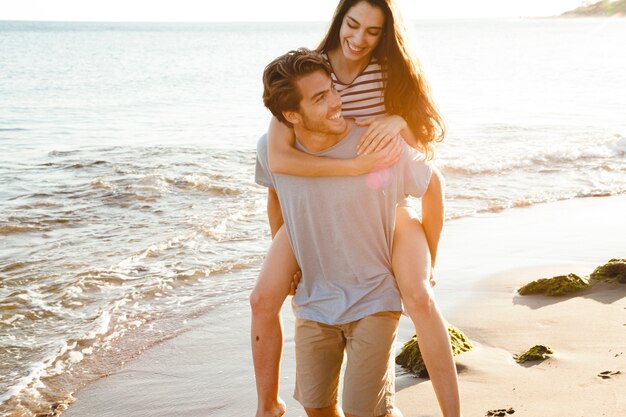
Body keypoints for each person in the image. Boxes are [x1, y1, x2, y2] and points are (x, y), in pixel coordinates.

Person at [250, 1, 461, 417]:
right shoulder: (310, 70)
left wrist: (398, 122)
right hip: (325, 194)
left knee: (419, 294)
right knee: (261, 299)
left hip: (382, 196)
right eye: (353, 25)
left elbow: (428, 146)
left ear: (386, 34)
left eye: (373, 31)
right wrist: (289, 240)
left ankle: (453, 412)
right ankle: (267, 405)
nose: (360, 38)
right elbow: (279, 171)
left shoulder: (392, 71)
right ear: (339, 21)